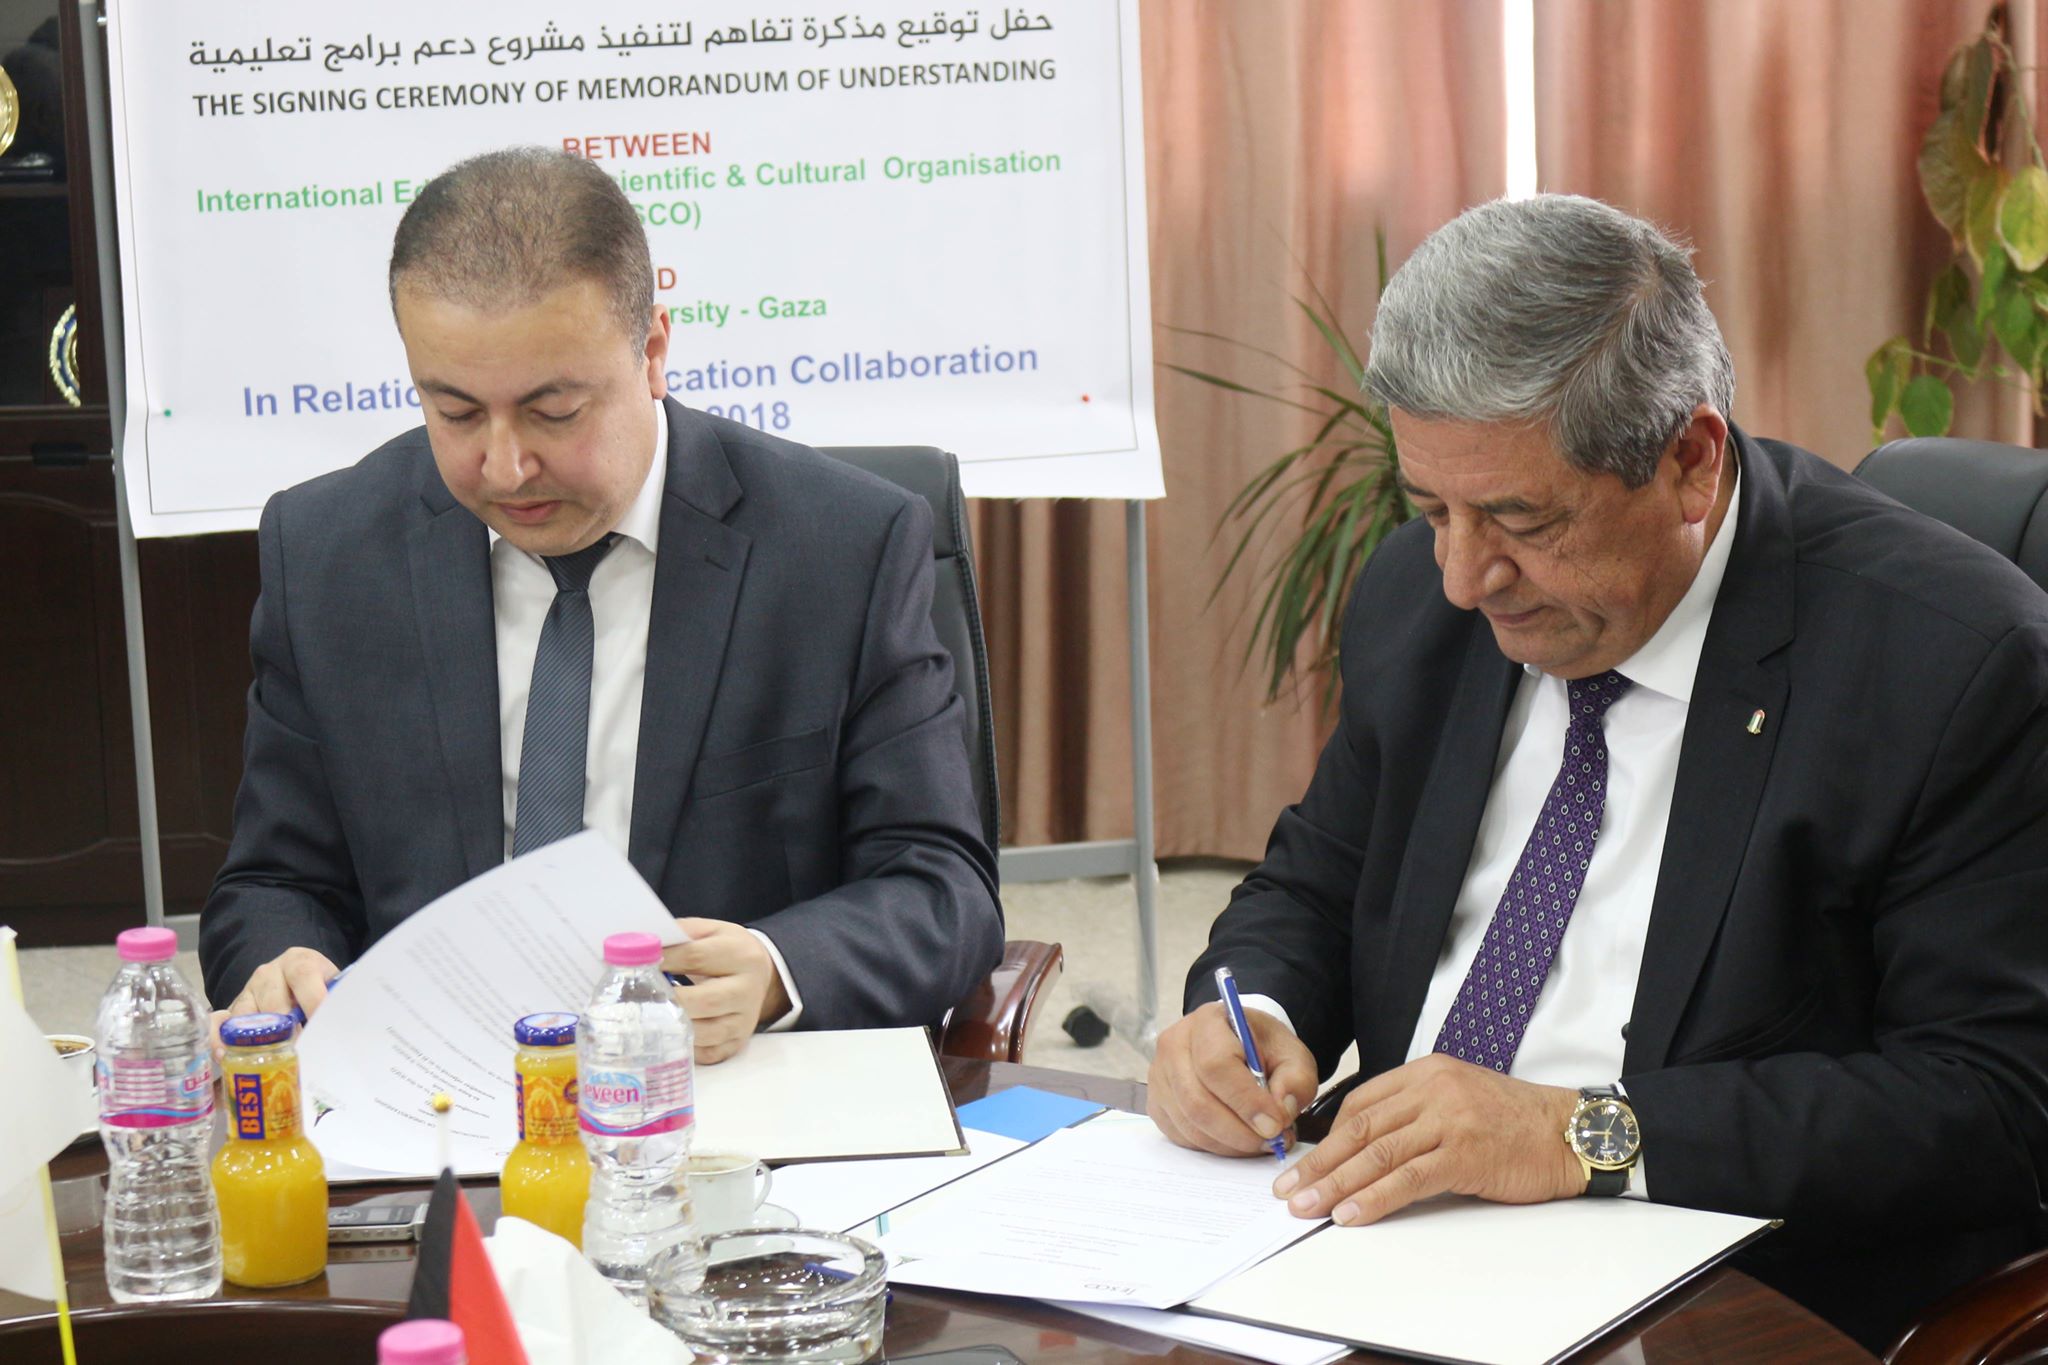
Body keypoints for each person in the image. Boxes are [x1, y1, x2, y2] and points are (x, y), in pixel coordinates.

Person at [1147, 194, 2048, 1348]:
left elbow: (1993, 1099)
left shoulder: (1949, 663)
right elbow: (1316, 877)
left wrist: (1578, 1134)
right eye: (1431, 509)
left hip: (1723, 1288)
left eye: (1520, 519)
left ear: (1689, 462)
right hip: (1383, 1245)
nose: (1464, 576)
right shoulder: (1419, 599)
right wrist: (1246, 1017)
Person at [199, 147, 1003, 1063]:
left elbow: (943, 889)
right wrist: (283, 964)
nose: (505, 467)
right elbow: (271, 883)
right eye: (455, 413)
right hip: (435, 1094)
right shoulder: (329, 554)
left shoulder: (841, 549)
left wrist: (779, 969)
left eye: (554, 411)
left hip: (718, 1087)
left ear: (653, 351)